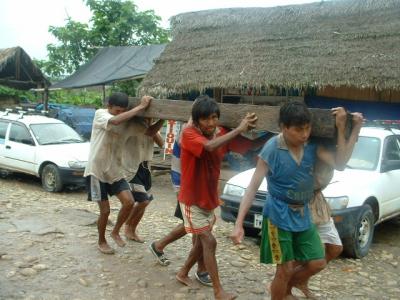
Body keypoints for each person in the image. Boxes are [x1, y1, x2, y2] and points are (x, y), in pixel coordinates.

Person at [230, 101, 360, 300]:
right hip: (276, 216)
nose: (305, 134)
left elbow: (340, 164)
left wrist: (344, 129)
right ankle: (281, 293)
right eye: (299, 130)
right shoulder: (272, 148)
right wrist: (239, 224)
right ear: (283, 127)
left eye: (307, 128)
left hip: (302, 213)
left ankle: (289, 287)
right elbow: (252, 187)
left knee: (318, 261)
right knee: (284, 269)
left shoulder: (311, 146)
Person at [176, 95, 257, 300]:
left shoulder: (221, 132)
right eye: (205, 119)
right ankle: (218, 291)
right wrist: (239, 129)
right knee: (209, 242)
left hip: (209, 199)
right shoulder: (189, 133)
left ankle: (183, 272)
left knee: (200, 243)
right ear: (196, 120)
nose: (211, 123)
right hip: (191, 200)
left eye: (214, 118)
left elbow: (247, 145)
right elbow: (209, 147)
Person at [295, 113, 363, 298]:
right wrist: (341, 128)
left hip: (318, 200)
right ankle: (285, 283)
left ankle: (299, 280)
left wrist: (355, 128)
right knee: (300, 254)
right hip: (305, 202)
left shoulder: (333, 146)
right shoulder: (318, 147)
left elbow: (345, 154)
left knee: (334, 248)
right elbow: (340, 164)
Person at [84, 92, 151, 254]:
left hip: (115, 171)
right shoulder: (101, 114)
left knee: (129, 202)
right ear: (109, 107)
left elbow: (149, 132)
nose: (120, 114)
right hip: (96, 170)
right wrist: (141, 107)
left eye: (123, 111)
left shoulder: (127, 121)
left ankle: (115, 232)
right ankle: (101, 241)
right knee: (105, 211)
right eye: (117, 110)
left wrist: (161, 118)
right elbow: (115, 120)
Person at [149, 120, 212, 286]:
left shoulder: (196, 128)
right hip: (185, 185)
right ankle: (200, 269)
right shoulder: (189, 130)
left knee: (191, 225)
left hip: (192, 185)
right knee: (200, 228)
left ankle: (159, 246)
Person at [124, 120, 165, 243]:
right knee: (144, 200)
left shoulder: (153, 128)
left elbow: (161, 143)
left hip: (145, 167)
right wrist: (162, 119)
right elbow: (148, 132)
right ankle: (127, 225)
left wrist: (153, 124)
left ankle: (132, 229)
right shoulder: (132, 124)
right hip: (131, 167)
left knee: (146, 202)